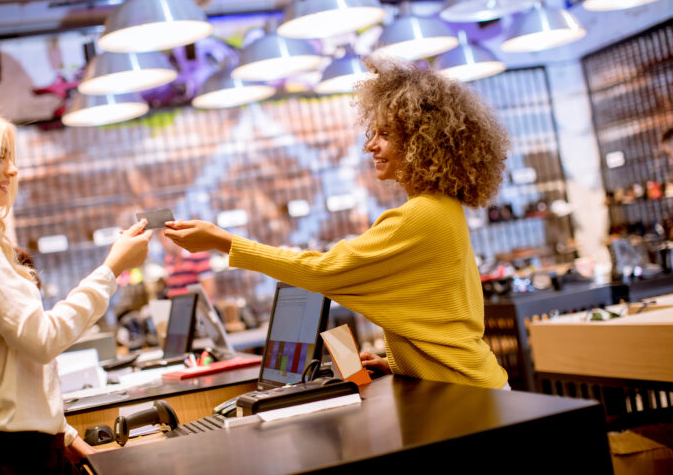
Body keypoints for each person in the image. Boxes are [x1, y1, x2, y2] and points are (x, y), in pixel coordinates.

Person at [164, 59, 511, 389]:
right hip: (465, 385)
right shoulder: (441, 209)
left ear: (423, 140)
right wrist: (399, 363)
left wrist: (225, 242)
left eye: (385, 134)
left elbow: (323, 271)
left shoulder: (420, 215)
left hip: (467, 394)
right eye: (373, 132)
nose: (370, 145)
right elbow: (445, 316)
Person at [0, 105, 153, 473]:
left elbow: (10, 364)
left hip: (16, 448)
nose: (12, 170)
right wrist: (112, 269)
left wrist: (64, 435)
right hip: (11, 455)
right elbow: (41, 338)